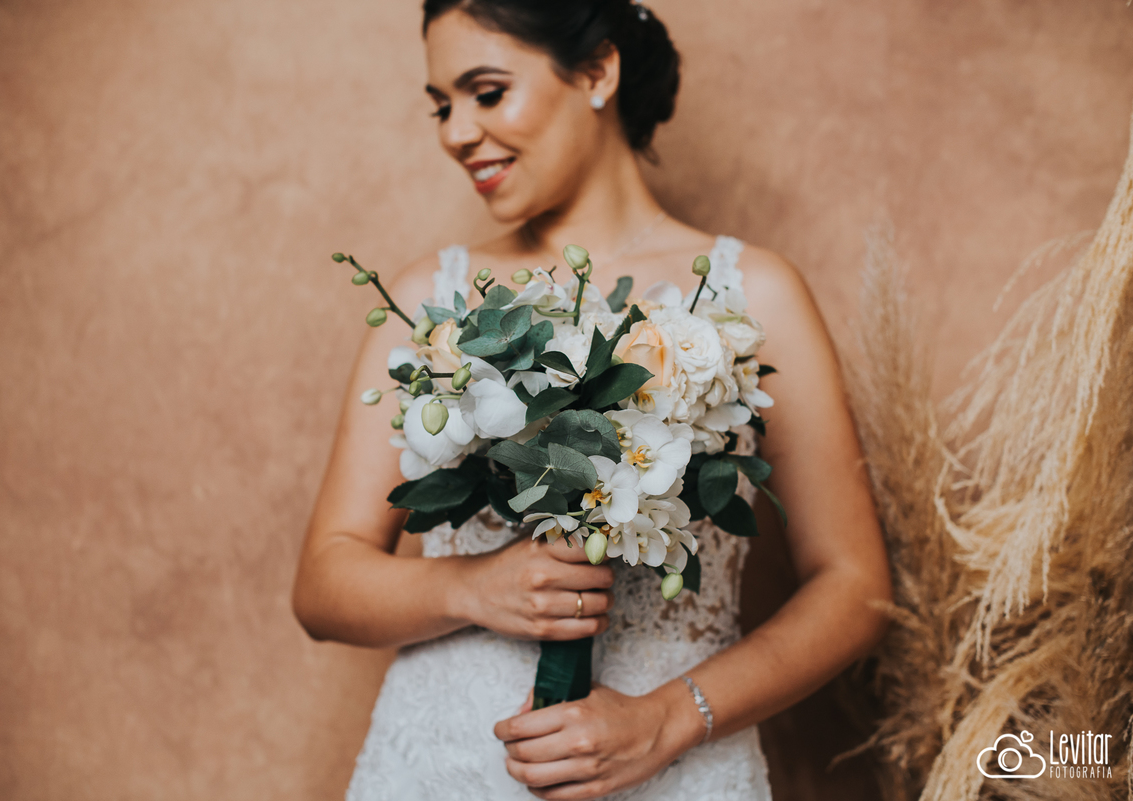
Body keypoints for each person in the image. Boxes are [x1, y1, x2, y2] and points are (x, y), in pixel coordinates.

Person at [293, 1, 892, 798]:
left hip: (672, 765)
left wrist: (672, 718)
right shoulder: (428, 302)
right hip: (443, 766)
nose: (455, 132)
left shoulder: (756, 296)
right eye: (442, 105)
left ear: (598, 71)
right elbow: (324, 584)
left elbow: (854, 585)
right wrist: (472, 586)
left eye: (486, 91)